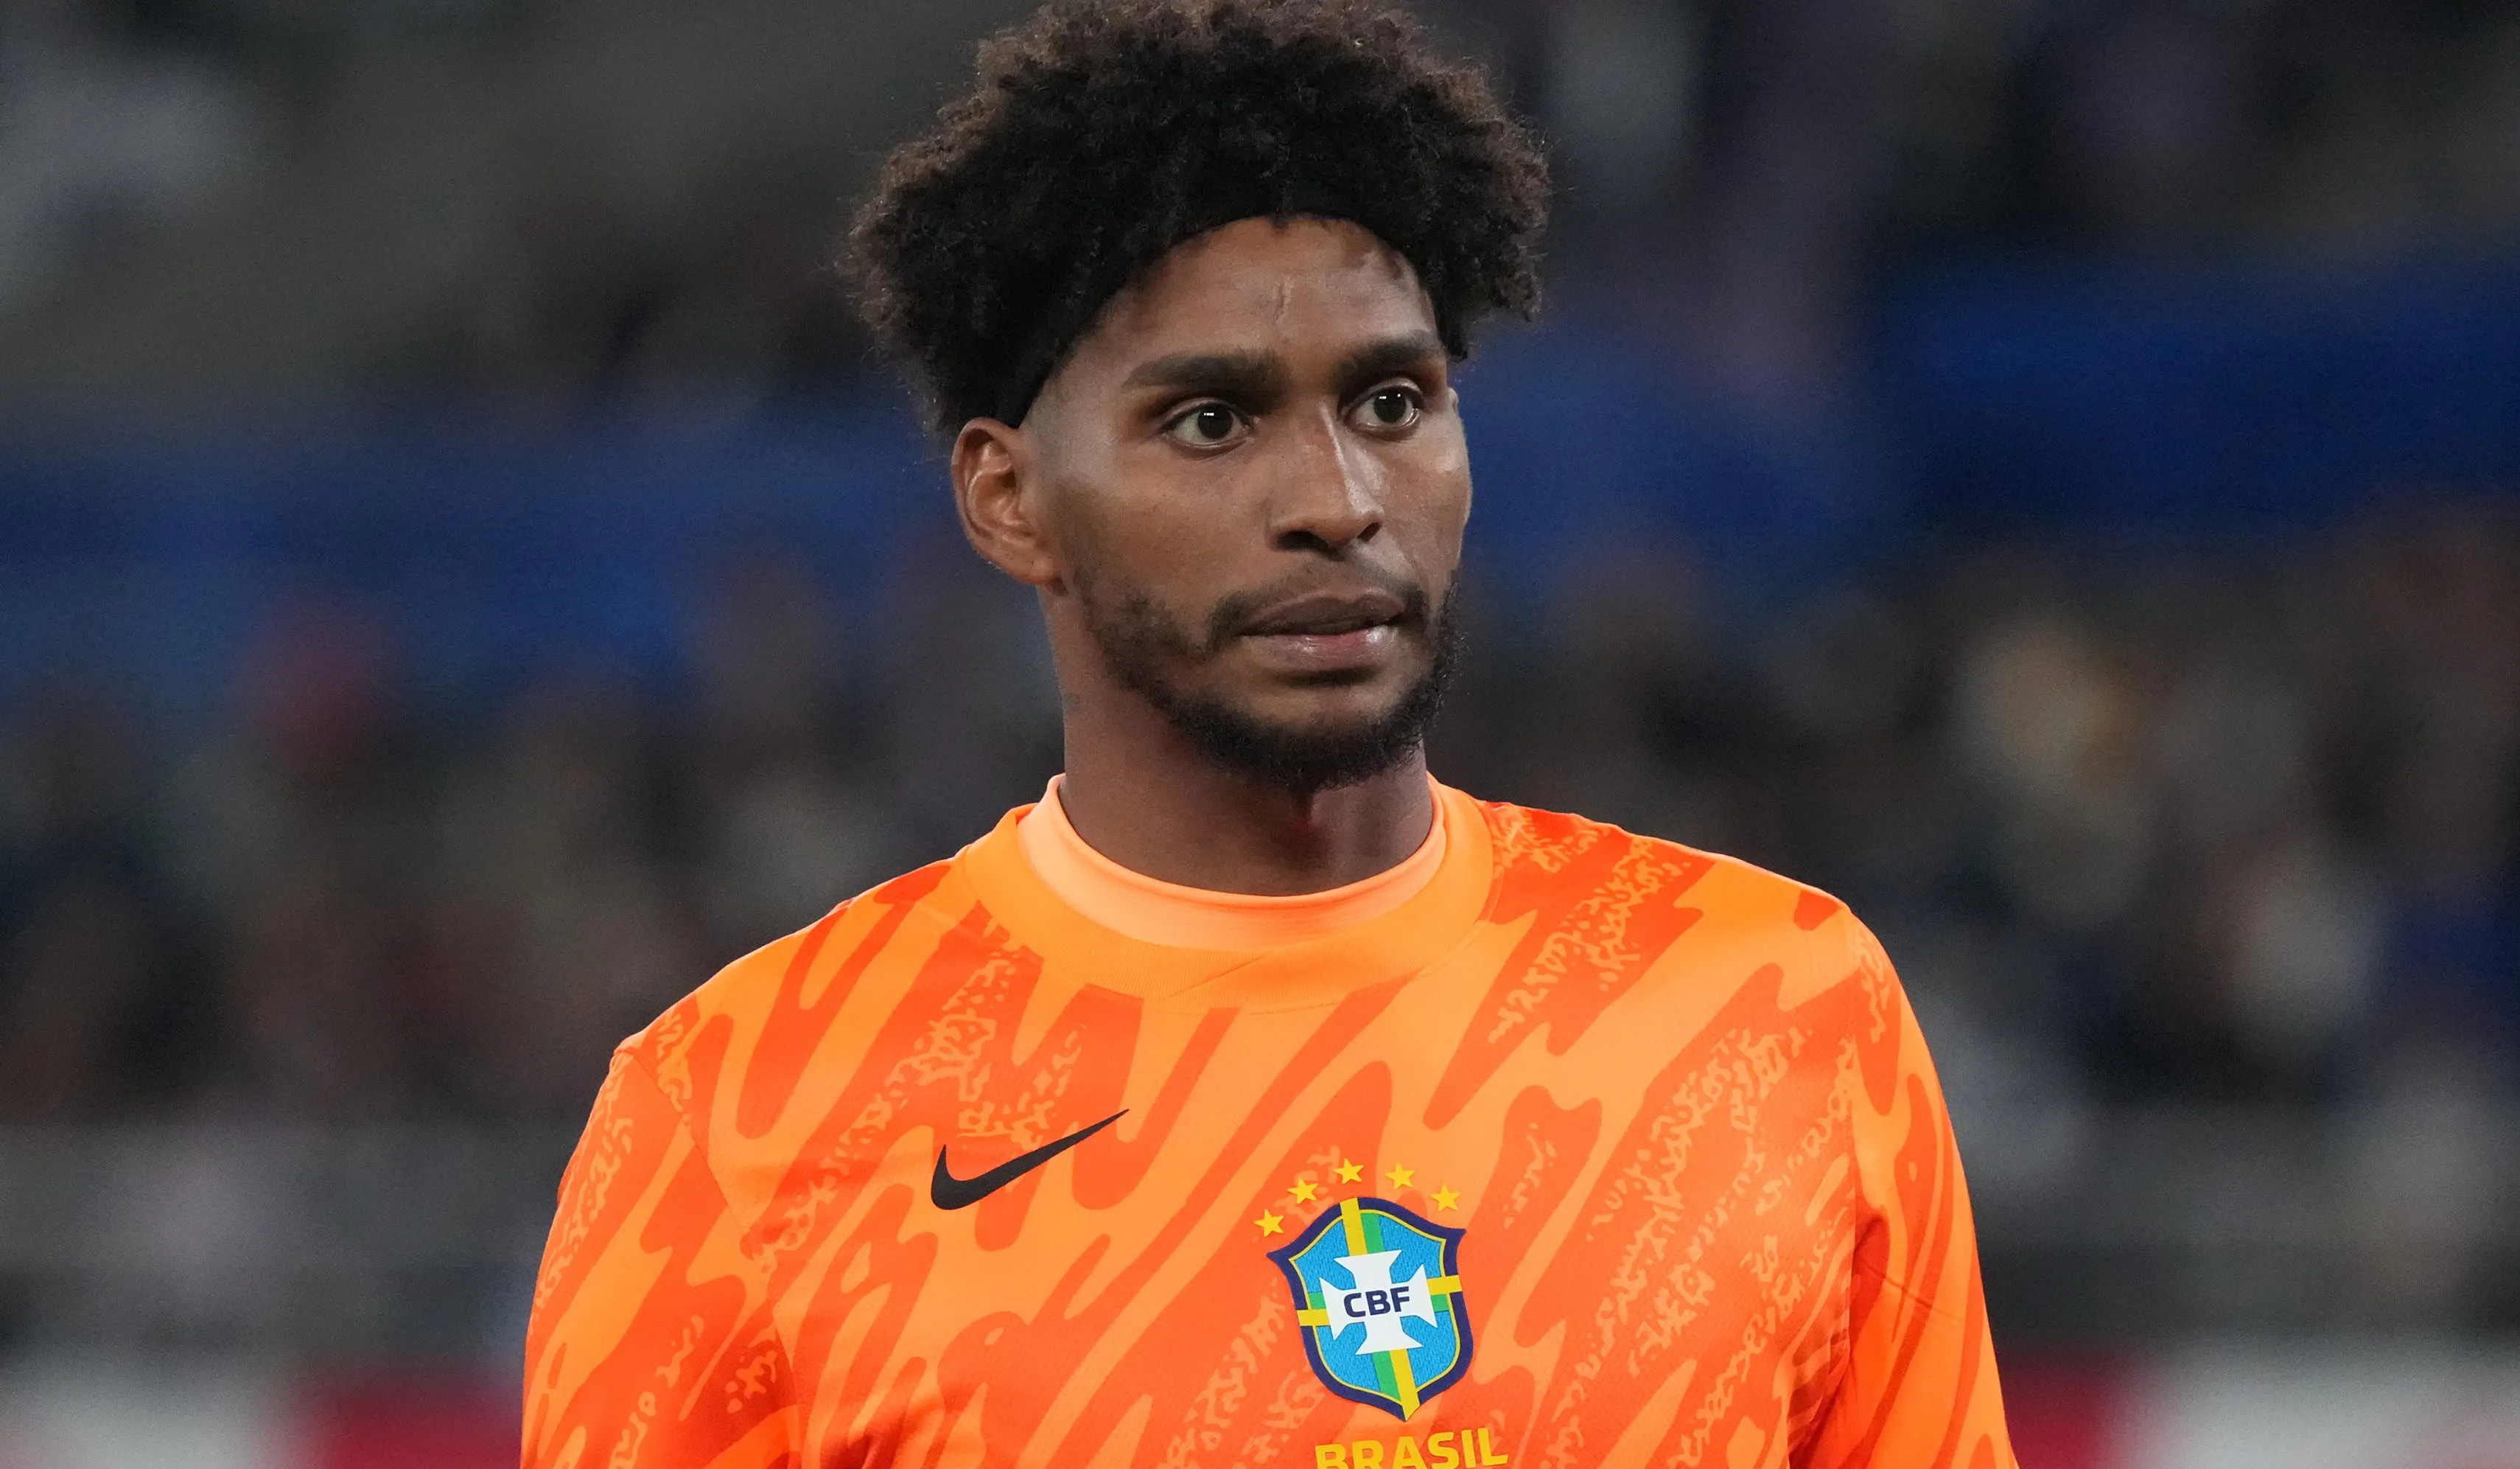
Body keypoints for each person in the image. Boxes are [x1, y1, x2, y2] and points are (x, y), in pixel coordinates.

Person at [520, 2, 2017, 1465]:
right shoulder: (738, 1116)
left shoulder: (1778, 1005)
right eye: (1212, 422)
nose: (1337, 501)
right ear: (1009, 499)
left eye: (1391, 402)